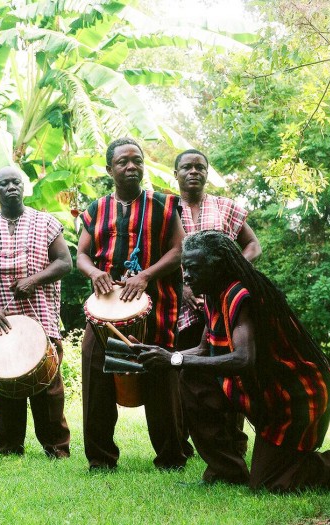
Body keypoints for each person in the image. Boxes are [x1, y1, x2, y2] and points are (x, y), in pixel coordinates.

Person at [137, 230, 330, 492]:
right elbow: (203, 348)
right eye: (184, 268)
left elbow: (244, 358)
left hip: (295, 396)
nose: (186, 276)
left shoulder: (239, 294)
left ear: (217, 266)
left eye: (193, 268)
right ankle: (226, 472)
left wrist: (174, 360)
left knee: (270, 483)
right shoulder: (214, 293)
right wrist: (162, 355)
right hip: (267, 391)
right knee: (192, 378)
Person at [76, 137, 190, 471]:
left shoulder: (164, 205)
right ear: (109, 168)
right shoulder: (96, 210)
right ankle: (100, 459)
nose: (131, 167)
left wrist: (146, 276)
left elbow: (179, 249)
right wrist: (95, 272)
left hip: (157, 307)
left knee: (160, 382)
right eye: (123, 162)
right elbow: (80, 254)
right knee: (97, 379)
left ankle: (171, 457)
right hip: (105, 310)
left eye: (137, 160)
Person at [0, 166, 71, 458]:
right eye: (4, 184)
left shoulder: (46, 222)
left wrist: (33, 280)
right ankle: (10, 448)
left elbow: (64, 262)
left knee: (47, 386)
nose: (11, 187)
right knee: (4, 385)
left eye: (16, 182)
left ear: (23, 186)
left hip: (40, 319)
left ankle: (56, 448)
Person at [175, 148, 262, 455]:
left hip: (225, 300)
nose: (193, 172)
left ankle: (233, 442)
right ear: (176, 175)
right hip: (185, 304)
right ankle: (188, 444)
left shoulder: (225, 207)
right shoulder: (167, 209)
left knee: (230, 367)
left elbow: (252, 244)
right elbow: (166, 257)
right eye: (186, 167)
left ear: (207, 173)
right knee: (192, 371)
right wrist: (185, 287)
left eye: (200, 167)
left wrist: (230, 272)